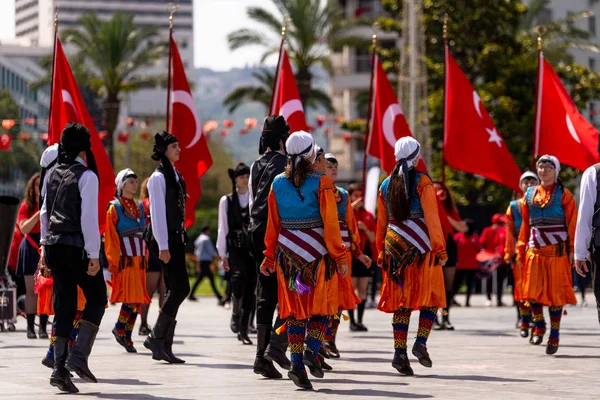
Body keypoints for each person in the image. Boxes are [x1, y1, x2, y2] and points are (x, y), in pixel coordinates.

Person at [260, 131, 348, 389]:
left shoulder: (277, 182)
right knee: (323, 308)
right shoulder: (322, 182)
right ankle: (311, 351)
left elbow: (272, 224)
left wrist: (268, 255)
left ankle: (297, 365)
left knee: (295, 313)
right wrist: (339, 254)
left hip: (287, 257)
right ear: (312, 153)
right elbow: (330, 224)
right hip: (318, 256)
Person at [40, 122, 107, 393]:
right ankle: (78, 356)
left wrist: (44, 249)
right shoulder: (87, 176)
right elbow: (88, 219)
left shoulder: (51, 173)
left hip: (54, 246)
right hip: (76, 247)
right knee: (98, 297)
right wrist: (94, 254)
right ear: (84, 149)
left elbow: (45, 213)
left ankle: (59, 369)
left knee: (65, 305)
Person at [376, 137, 446, 376]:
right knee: (431, 298)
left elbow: (381, 223)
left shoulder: (385, 184)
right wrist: (440, 248)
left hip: (393, 249)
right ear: (417, 157)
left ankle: (399, 354)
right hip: (421, 249)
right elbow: (432, 217)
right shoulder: (423, 181)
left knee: (401, 302)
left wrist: (379, 251)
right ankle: (421, 343)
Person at [516, 155, 577, 355]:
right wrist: (521, 248)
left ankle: (555, 334)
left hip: (556, 252)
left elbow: (572, 225)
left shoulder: (564, 194)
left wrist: (573, 251)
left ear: (556, 171)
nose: (543, 170)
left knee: (555, 295)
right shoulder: (529, 195)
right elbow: (525, 224)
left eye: (548, 167)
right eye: (540, 166)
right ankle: (539, 324)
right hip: (534, 251)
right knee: (532, 292)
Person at [249, 115, 291, 379]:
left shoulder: (256, 164)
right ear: (281, 139)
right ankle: (276, 349)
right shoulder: (286, 164)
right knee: (290, 292)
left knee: (265, 296)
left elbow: (254, 200)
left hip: (255, 232)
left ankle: (260, 357)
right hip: (277, 233)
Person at [143, 131, 189, 364]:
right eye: (174, 147)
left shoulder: (175, 175)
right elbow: (157, 215)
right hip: (166, 240)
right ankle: (156, 337)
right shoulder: (158, 178)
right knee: (181, 288)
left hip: (176, 238)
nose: (179, 150)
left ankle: (163, 345)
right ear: (164, 151)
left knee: (175, 289)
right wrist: (163, 245)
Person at [323, 152, 370, 358]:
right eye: (329, 166)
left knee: (339, 301)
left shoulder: (342, 194)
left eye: (335, 166)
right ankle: (314, 342)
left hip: (343, 255)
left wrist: (359, 253)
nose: (333, 169)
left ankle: (330, 339)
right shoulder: (314, 191)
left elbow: (351, 228)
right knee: (321, 299)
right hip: (322, 252)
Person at [105, 168, 151, 353]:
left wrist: (146, 254)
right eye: (131, 181)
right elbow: (111, 237)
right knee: (132, 297)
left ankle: (127, 334)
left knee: (137, 299)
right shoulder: (114, 207)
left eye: (135, 180)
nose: (135, 183)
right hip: (126, 259)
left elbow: (145, 232)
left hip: (140, 258)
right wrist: (114, 260)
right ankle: (120, 328)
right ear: (122, 185)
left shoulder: (140, 206)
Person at [217, 163, 255, 345]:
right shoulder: (227, 201)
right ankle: (235, 312)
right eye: (241, 176)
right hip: (235, 247)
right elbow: (222, 227)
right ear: (234, 179)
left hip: (251, 248)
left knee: (252, 287)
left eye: (248, 176)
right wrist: (222, 254)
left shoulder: (254, 198)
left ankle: (244, 327)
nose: (245, 179)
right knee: (239, 279)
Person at [504, 171, 539, 337]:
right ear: (520, 185)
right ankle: (522, 316)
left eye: (533, 181)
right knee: (519, 285)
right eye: (526, 181)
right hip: (520, 251)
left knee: (536, 285)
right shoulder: (513, 206)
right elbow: (510, 232)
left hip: (539, 250)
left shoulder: (542, 203)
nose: (529, 184)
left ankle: (535, 317)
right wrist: (509, 252)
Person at [16, 173, 48, 339]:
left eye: (42, 184)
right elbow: (24, 229)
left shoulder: (51, 203)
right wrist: (39, 212)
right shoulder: (26, 206)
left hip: (46, 247)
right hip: (30, 247)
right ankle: (30, 327)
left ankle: (43, 326)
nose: (39, 187)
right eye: (36, 184)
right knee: (31, 291)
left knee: (46, 289)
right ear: (32, 187)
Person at [433, 181, 467, 330]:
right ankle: (432, 318)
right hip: (433, 246)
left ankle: (445, 317)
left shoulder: (450, 210)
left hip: (449, 246)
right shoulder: (428, 208)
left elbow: (462, 227)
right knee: (434, 285)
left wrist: (444, 212)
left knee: (448, 284)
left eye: (442, 189)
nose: (441, 192)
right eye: (436, 190)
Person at [138, 177, 166, 336]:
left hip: (161, 249)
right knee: (150, 290)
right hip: (151, 251)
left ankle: (160, 325)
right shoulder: (146, 204)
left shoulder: (158, 203)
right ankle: (143, 323)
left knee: (163, 290)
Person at [573, 162, 600, 326]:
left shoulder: (593, 172)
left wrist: (580, 253)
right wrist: (580, 252)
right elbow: (585, 215)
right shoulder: (594, 173)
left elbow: (585, 214)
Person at [347, 183, 376, 331]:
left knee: (363, 288)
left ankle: (360, 320)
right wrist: (351, 207)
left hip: (364, 252)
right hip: (350, 254)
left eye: (360, 196)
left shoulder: (368, 216)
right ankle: (352, 321)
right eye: (355, 196)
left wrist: (364, 227)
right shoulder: (347, 212)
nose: (359, 199)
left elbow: (373, 238)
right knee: (351, 288)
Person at [190, 226, 221, 302]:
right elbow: (211, 250)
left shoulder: (198, 239)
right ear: (206, 231)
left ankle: (191, 294)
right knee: (208, 279)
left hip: (201, 260)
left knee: (201, 279)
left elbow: (197, 251)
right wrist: (216, 255)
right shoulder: (206, 239)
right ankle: (219, 296)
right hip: (206, 261)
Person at [452, 219, 479, 307]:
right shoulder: (457, 237)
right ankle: (452, 299)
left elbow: (479, 250)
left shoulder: (475, 237)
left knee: (470, 284)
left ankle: (467, 301)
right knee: (456, 284)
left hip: (472, 265)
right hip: (460, 265)